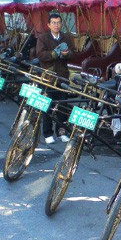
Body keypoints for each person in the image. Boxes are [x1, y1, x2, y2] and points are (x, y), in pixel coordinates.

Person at [36, 12, 75, 144]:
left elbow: (73, 53)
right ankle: (47, 132)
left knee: (63, 105)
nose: (56, 25)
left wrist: (66, 54)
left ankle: (61, 131)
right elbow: (40, 55)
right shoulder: (43, 38)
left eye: (58, 23)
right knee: (48, 105)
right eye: (54, 23)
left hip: (63, 75)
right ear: (49, 24)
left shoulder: (65, 37)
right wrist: (54, 53)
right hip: (49, 76)